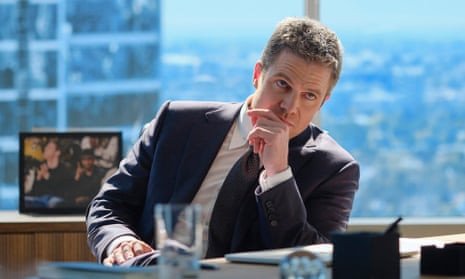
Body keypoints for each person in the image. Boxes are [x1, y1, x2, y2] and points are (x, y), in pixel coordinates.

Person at [86, 17, 360, 266]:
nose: (290, 107)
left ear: (323, 101)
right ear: (257, 74)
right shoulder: (177, 122)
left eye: (309, 96)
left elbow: (315, 262)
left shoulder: (334, 169)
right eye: (282, 84)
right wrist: (119, 241)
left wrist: (278, 176)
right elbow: (109, 204)